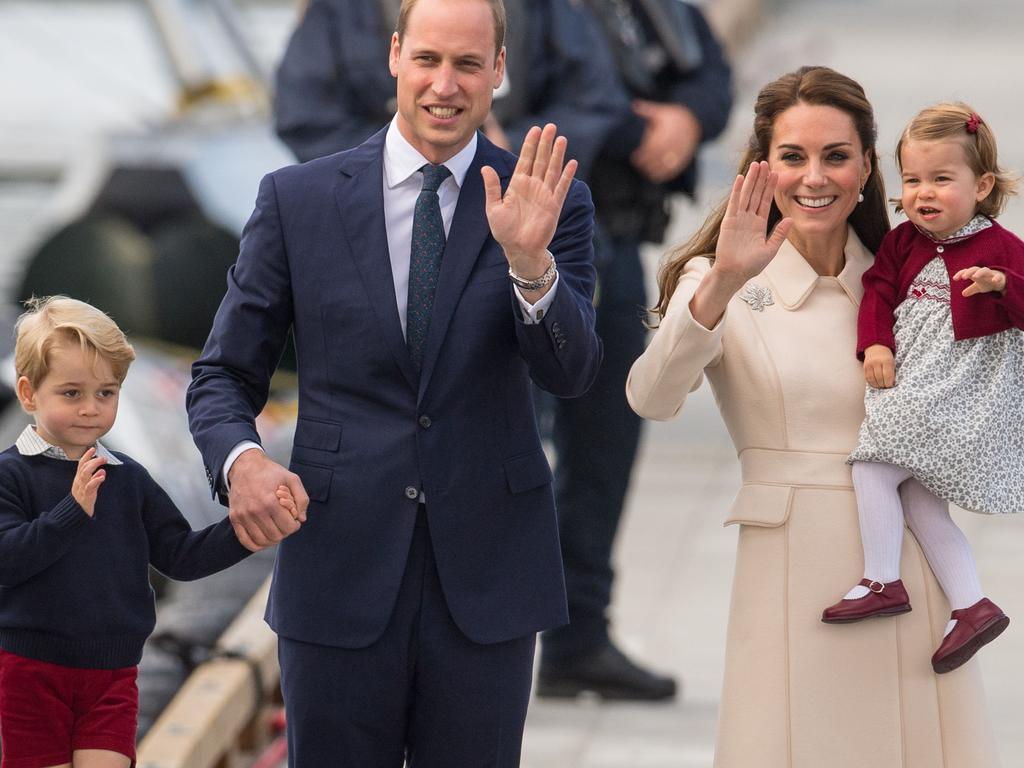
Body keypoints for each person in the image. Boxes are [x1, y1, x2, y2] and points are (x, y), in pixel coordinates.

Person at [186, 0, 602, 763]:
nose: (445, 85)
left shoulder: (549, 199)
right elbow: (221, 376)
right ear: (396, 57)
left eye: (469, 64)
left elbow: (572, 374)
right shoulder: (296, 200)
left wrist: (530, 266)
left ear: (499, 72)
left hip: (488, 577)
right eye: (429, 61)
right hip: (337, 569)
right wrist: (241, 463)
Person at [626, 67, 999, 767]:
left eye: (836, 155)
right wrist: (724, 285)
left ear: (866, 167)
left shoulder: (917, 276)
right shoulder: (721, 279)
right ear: (763, 167)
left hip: (908, 570)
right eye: (793, 156)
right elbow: (651, 397)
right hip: (790, 569)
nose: (814, 177)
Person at [538, 0, 732, 701]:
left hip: (614, 242)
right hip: (521, 241)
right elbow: (508, 102)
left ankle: (576, 639)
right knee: (503, 451)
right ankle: (465, 640)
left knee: (603, 450)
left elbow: (709, 71)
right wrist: (628, 126)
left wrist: (685, 120)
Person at [0, 297, 280, 768]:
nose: (91, 409)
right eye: (72, 393)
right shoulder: (10, 475)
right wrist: (73, 510)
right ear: (28, 394)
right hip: (32, 672)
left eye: (106, 393)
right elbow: (9, 559)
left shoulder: (127, 478)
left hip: (112, 673)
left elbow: (179, 555)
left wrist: (245, 532)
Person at [821, 103, 1021, 674]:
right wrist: (876, 344)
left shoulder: (1002, 248)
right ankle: (972, 605)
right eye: (911, 180)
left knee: (873, 466)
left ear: (980, 186)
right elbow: (878, 292)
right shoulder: (903, 242)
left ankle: (882, 579)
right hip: (913, 380)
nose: (922, 193)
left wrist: (1003, 284)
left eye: (941, 179)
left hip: (954, 395)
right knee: (918, 499)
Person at [273, 0, 625, 178]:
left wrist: (509, 153)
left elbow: (593, 99)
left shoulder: (543, 7)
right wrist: (405, 160)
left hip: (525, 203)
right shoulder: (339, 10)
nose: (443, 87)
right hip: (375, 220)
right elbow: (304, 118)